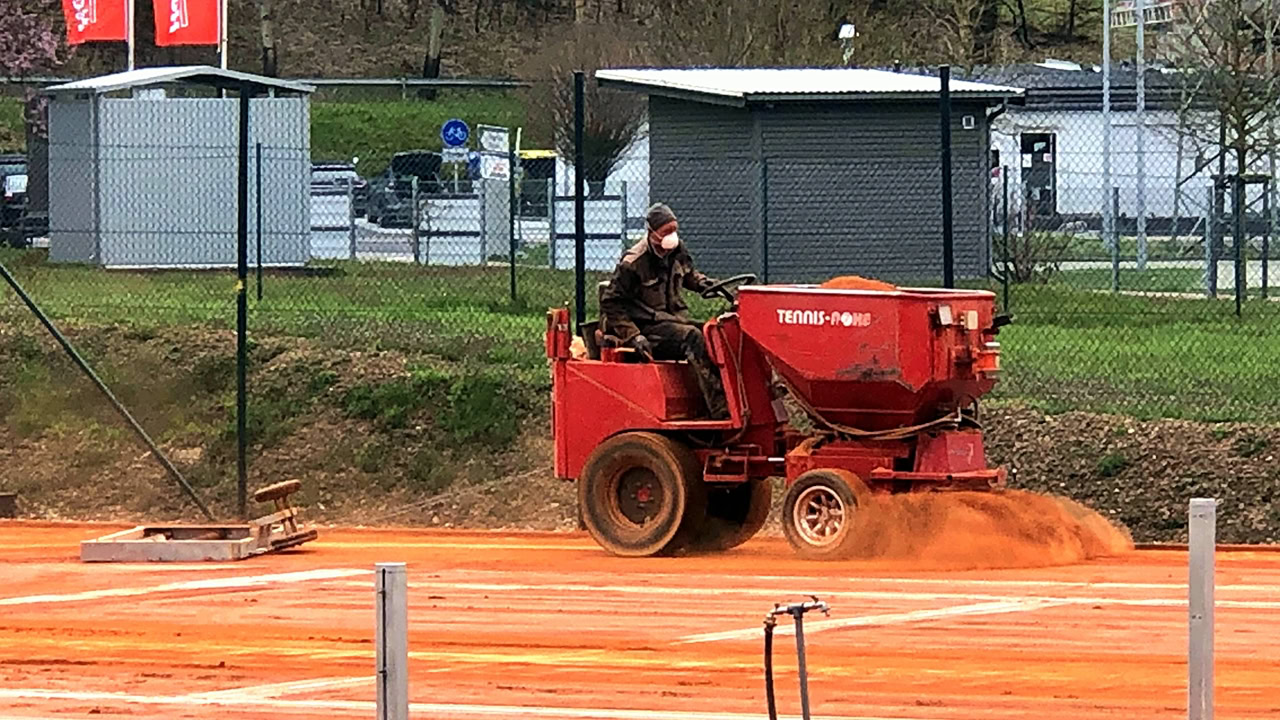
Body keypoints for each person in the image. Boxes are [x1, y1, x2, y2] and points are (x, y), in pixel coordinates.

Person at [600, 203, 729, 420]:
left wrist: (704, 284)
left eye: (674, 229)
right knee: (692, 337)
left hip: (671, 321)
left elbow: (689, 274)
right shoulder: (633, 263)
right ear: (652, 233)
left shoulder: (677, 250)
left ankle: (736, 396)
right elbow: (611, 303)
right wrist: (633, 336)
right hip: (646, 327)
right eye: (666, 231)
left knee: (715, 332)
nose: (672, 236)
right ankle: (721, 408)